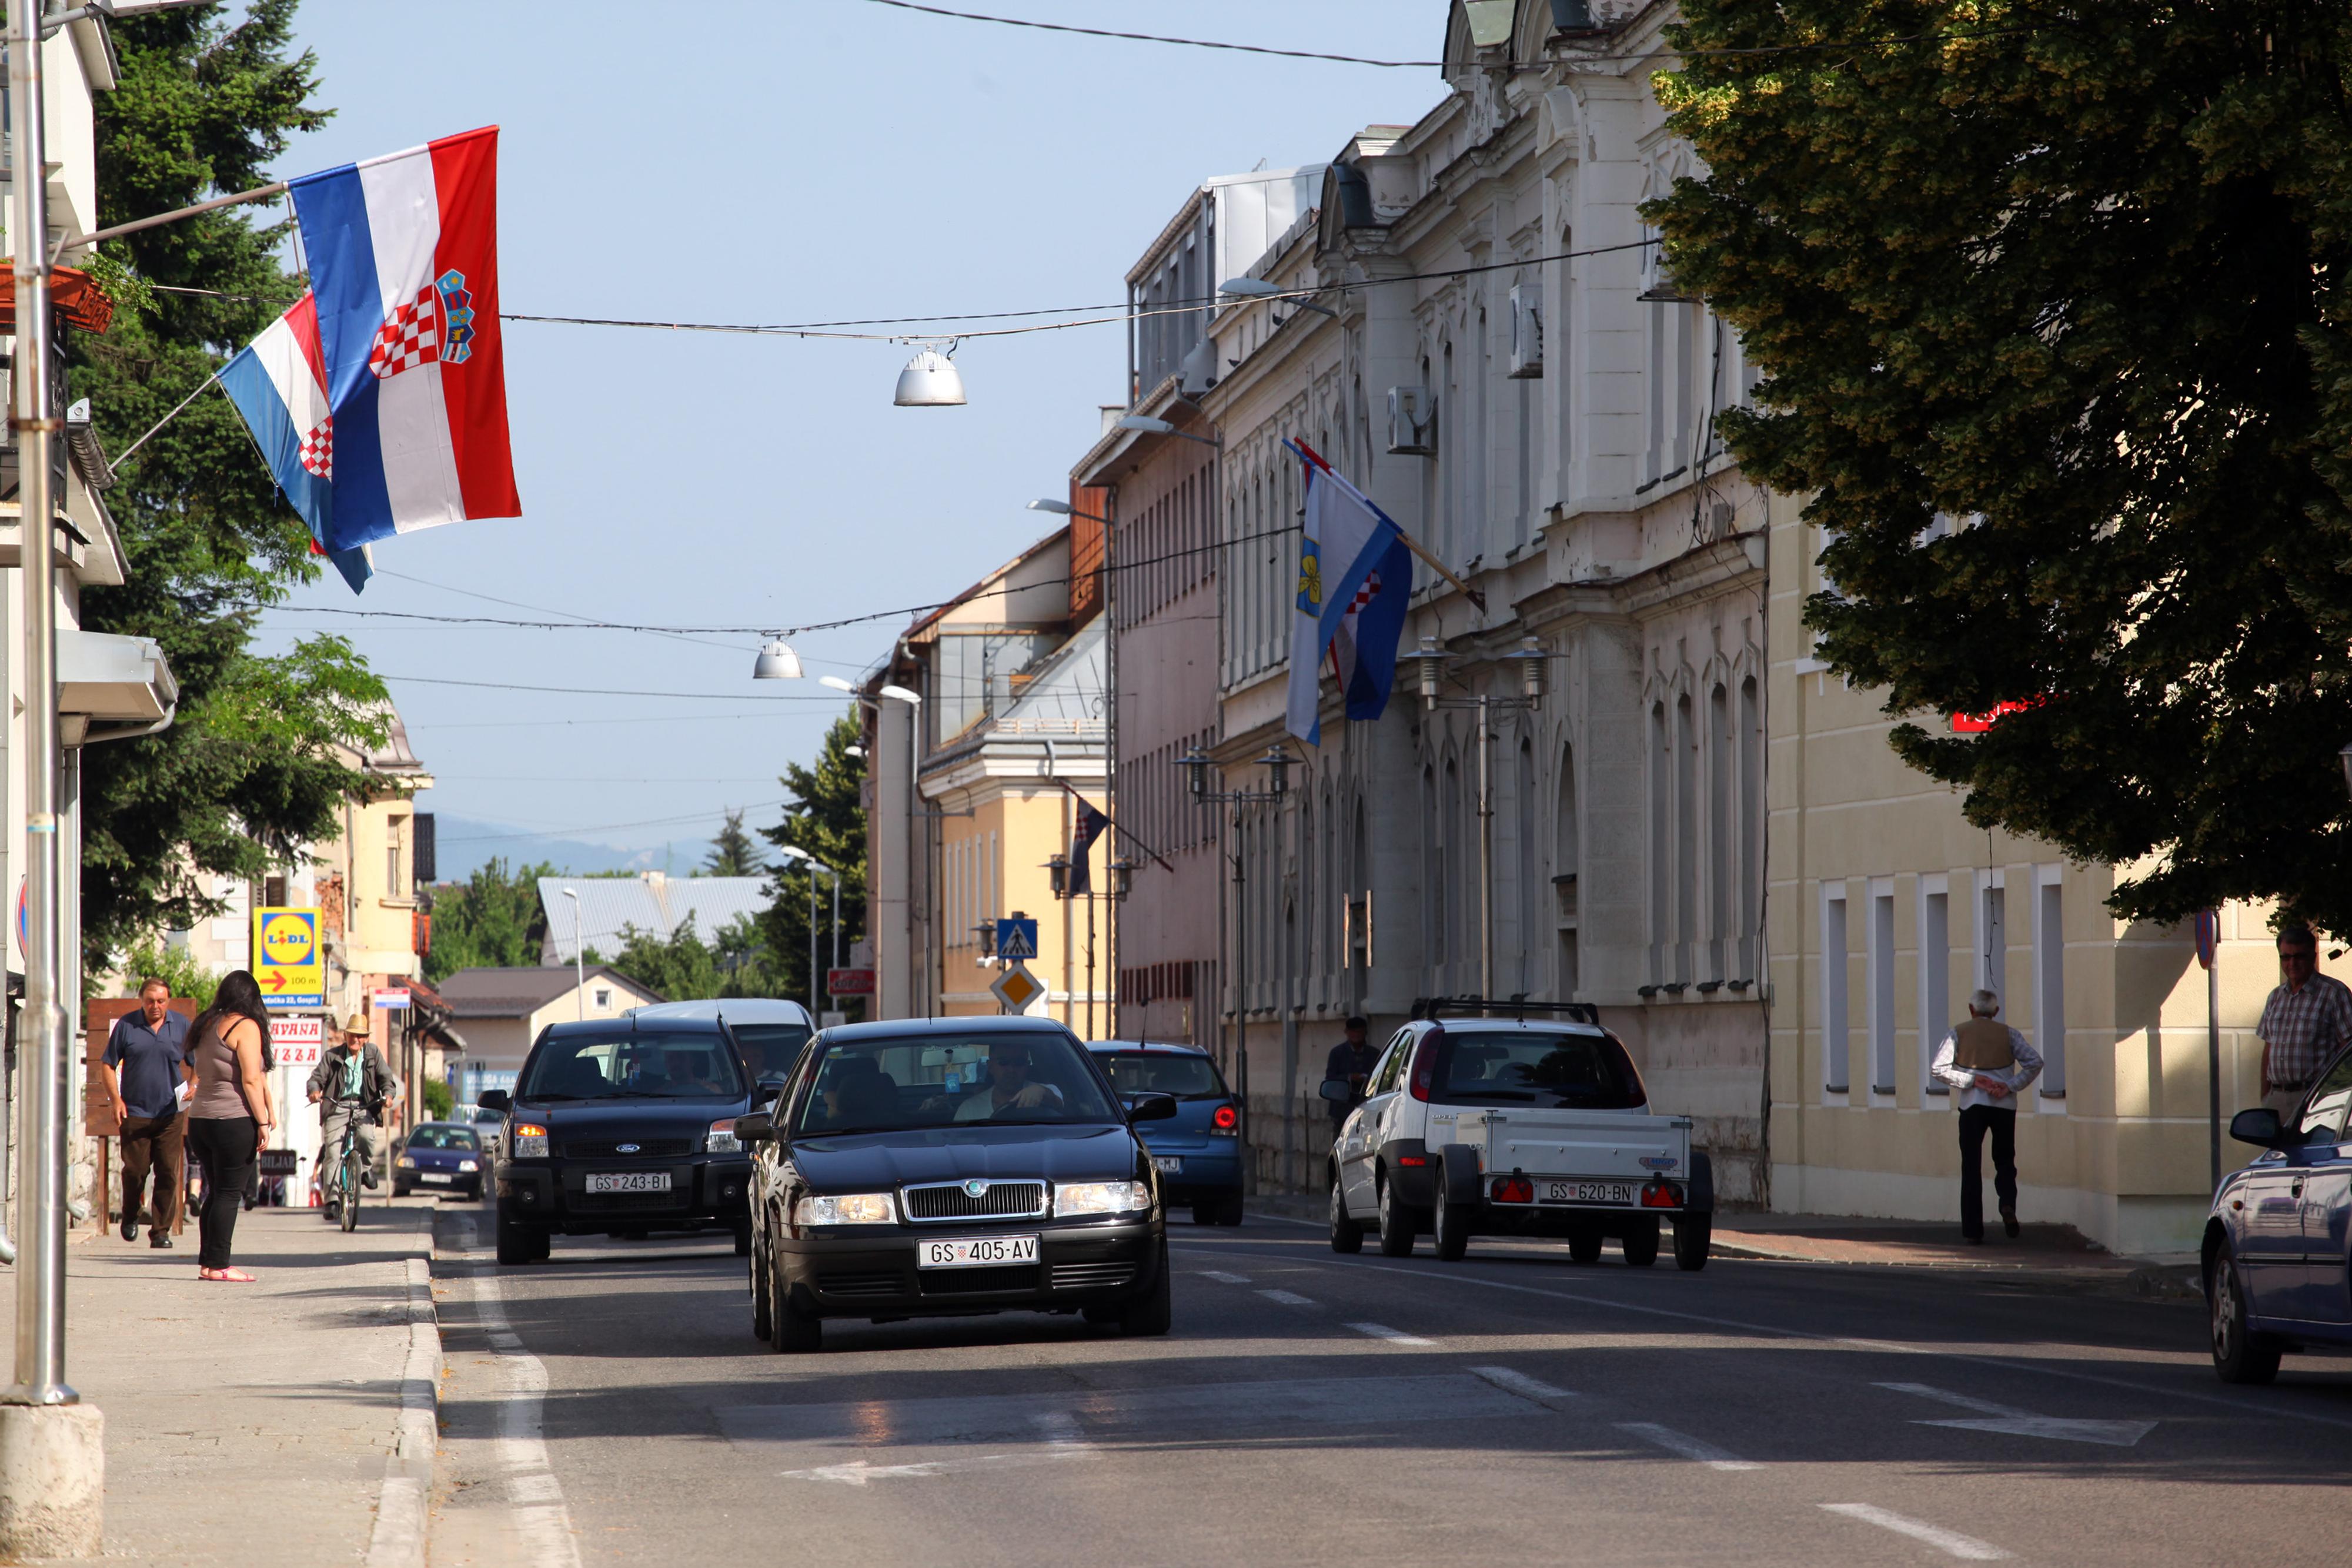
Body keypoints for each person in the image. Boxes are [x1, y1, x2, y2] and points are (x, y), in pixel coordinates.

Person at [1931, 989, 2044, 1244]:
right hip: (2004, 1106)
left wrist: (1972, 1080)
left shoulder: (1958, 1033)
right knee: (2005, 1160)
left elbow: (1938, 1069)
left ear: (1971, 1010)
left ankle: (1973, 1230)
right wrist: (2010, 1086)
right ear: (1996, 1011)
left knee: (1971, 1165)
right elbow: (2035, 1062)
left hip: (1972, 1106)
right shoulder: (2009, 1034)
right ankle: (2007, 1204)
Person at [185, 972, 277, 1282]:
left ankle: (209, 1263)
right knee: (228, 1194)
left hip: (201, 1121)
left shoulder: (206, 1024)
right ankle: (221, 1264)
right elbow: (250, 1079)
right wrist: (262, 1122)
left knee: (215, 1191)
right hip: (233, 1120)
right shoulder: (246, 1026)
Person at [102, 977, 192, 1249]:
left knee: (167, 1172)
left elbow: (198, 1061)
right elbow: (108, 1065)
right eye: (150, 1001)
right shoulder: (127, 1025)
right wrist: (116, 1100)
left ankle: (161, 1231)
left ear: (168, 1001)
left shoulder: (181, 1026)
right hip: (135, 1111)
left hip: (170, 1112)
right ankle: (131, 1214)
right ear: (142, 1000)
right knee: (135, 1171)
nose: (156, 1006)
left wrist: (195, 1085)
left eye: (161, 1001)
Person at [2254, 922, 2352, 1123]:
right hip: (2277, 1098)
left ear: (2313, 957)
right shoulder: (2275, 997)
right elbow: (2268, 1050)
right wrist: (2265, 1097)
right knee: (2275, 1146)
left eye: (2299, 956)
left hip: (2317, 1099)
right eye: (2286, 957)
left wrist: (2337, 1099)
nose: (2292, 963)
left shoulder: (2334, 993)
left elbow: (2348, 1052)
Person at [308, 1014, 401, 1191]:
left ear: (366, 1038)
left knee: (366, 1136)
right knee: (333, 1153)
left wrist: (388, 1095)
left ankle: (364, 1169)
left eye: (360, 1036)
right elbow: (316, 1079)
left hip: (364, 1105)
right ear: (345, 1035)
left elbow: (386, 1079)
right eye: (352, 1035)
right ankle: (333, 1199)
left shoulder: (373, 1054)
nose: (356, 1039)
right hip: (337, 1106)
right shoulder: (332, 1056)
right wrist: (314, 1091)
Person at [955, 1040, 1065, 1121]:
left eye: (1019, 1062)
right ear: (990, 1067)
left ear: (1027, 1066)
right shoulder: (970, 1109)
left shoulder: (1044, 1091)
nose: (1011, 1069)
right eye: (1004, 1062)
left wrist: (1041, 1092)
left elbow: (1058, 1104)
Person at [1324, 1017, 1378, 1129]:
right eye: (1353, 1032)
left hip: (1368, 1108)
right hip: (1342, 1110)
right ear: (1347, 1032)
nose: (1356, 1035)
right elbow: (1330, 1078)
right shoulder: (1337, 1053)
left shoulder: (1374, 1054)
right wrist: (1350, 1077)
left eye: (1360, 1032)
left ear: (1365, 1032)